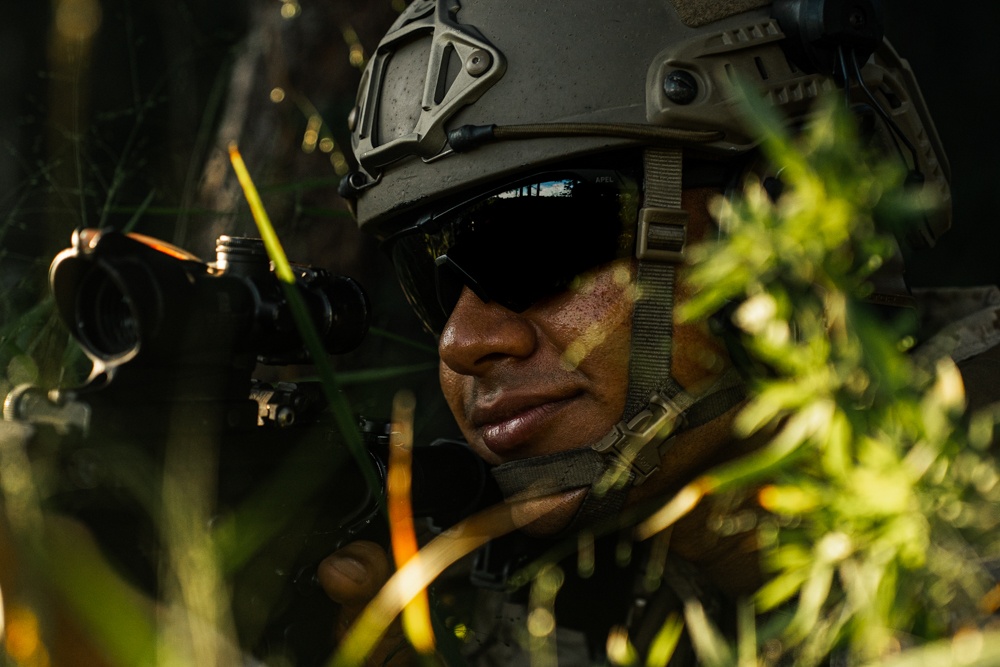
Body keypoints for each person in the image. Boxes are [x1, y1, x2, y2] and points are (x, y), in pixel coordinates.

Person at [317, 0, 999, 663]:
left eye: (534, 243)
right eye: (426, 277)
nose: (461, 343)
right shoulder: (573, 590)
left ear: (784, 201)